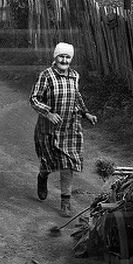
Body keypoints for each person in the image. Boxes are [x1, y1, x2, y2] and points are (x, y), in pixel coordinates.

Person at [30, 42, 98, 217]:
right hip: (49, 129)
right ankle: (42, 177)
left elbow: (77, 97)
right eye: (61, 56)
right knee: (49, 163)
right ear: (55, 57)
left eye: (68, 57)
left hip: (69, 127)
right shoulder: (46, 75)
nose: (64, 60)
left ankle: (65, 202)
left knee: (68, 164)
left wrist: (86, 113)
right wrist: (48, 113)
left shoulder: (74, 76)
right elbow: (34, 99)